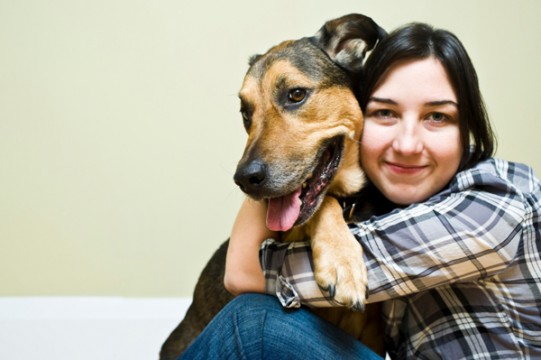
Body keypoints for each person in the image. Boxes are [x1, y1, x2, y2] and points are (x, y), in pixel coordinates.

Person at [180, 22, 541, 359]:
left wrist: (318, 212)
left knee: (254, 321)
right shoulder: (392, 201)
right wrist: (320, 205)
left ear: (469, 124)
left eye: (437, 117)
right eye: (385, 113)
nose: (407, 144)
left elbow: (243, 273)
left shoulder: (496, 204)